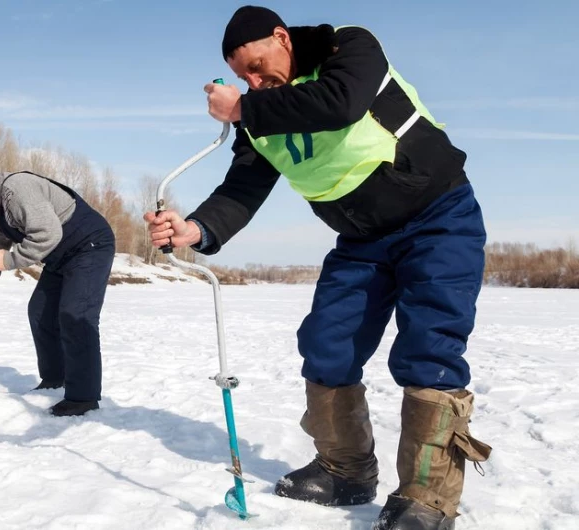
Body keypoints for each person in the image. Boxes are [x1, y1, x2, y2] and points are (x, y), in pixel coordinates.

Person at [144, 7, 492, 529]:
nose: (256, 82)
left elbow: (342, 102)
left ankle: (427, 498)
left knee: (430, 351)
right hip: (360, 240)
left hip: (437, 217)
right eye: (245, 78)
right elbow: (242, 188)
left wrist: (244, 106)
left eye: (259, 67)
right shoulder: (260, 117)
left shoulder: (346, 47)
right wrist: (196, 229)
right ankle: (345, 470)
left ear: (283, 39)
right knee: (327, 346)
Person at [0, 159, 115, 417]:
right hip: (60, 256)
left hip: (89, 246)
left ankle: (83, 398)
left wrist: (10, 261)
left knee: (75, 314)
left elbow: (47, 234)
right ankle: (54, 380)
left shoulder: (17, 189)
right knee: (40, 311)